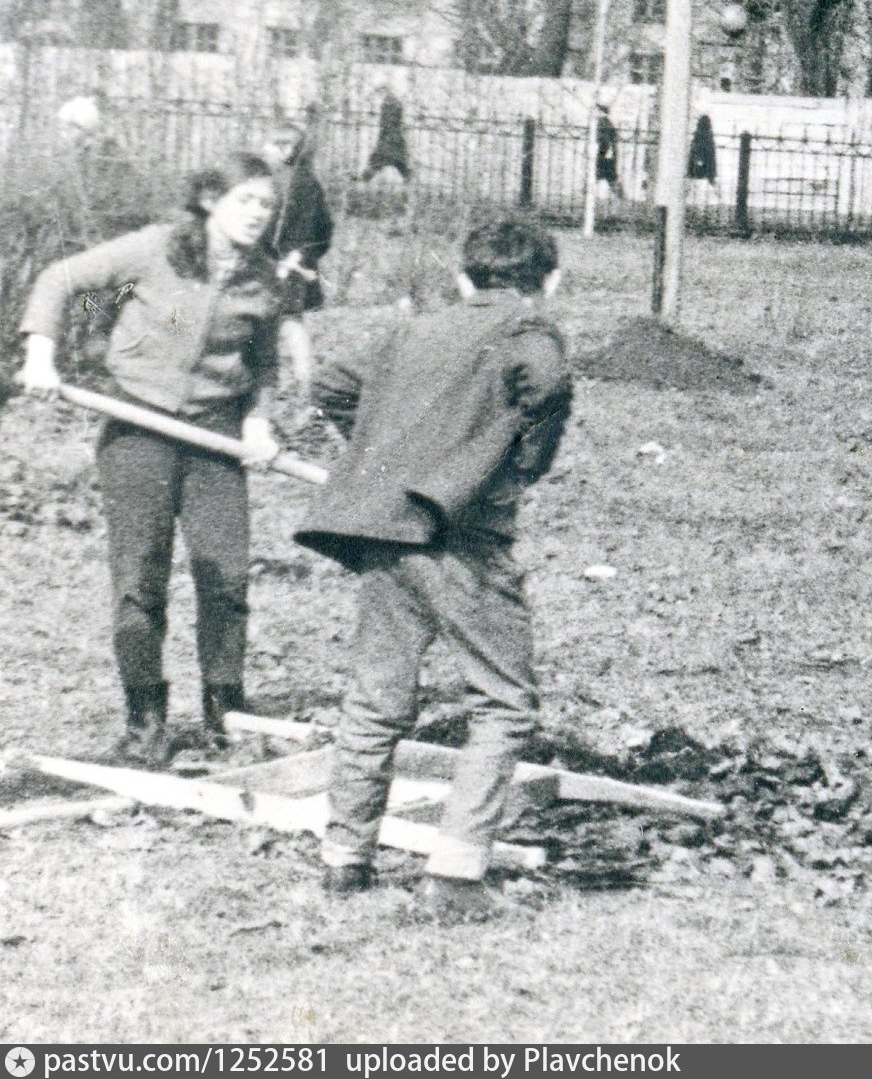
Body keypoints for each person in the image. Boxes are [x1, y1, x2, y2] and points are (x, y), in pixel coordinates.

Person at [296, 216, 574, 920]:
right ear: (549, 281)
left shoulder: (411, 330)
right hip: (461, 540)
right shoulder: (528, 331)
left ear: (461, 277)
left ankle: (344, 860)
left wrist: (387, 459)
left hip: (386, 535)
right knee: (504, 702)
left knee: (376, 697)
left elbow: (330, 383)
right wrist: (513, 467)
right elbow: (547, 384)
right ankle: (454, 875)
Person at [15, 154, 287, 766]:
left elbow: (264, 362)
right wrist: (41, 356)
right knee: (140, 575)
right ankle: (145, 721)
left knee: (227, 576)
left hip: (215, 433)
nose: (256, 214)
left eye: (266, 205)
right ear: (210, 200)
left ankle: (227, 715)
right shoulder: (153, 250)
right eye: (245, 200)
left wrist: (259, 419)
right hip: (139, 425)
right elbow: (61, 280)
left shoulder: (264, 278)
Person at [260, 124, 335, 391]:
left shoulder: (280, 181)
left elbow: (269, 226)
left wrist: (274, 254)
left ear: (287, 150)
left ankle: (287, 380)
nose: (265, 151)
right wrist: (309, 254)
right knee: (291, 320)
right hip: (298, 259)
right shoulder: (308, 180)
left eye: (271, 145)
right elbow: (325, 227)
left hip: (280, 260)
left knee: (282, 321)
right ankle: (302, 380)